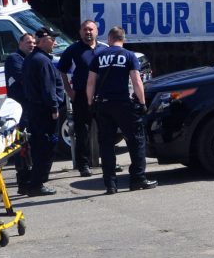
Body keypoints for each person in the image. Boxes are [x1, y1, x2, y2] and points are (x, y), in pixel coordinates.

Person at [87, 26, 157, 194]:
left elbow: (90, 82)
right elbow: (136, 80)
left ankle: (110, 184)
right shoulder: (129, 56)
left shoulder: (99, 56)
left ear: (110, 39)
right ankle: (138, 179)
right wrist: (142, 102)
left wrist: (90, 103)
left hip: (104, 104)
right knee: (136, 141)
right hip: (124, 104)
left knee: (106, 144)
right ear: (123, 39)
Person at [57, 20, 107, 177]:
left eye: (91, 29)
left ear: (97, 32)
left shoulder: (104, 49)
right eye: (85, 29)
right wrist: (69, 91)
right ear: (80, 32)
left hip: (101, 97)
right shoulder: (73, 49)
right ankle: (83, 165)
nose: (88, 32)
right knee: (82, 132)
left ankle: (108, 162)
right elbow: (62, 70)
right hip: (81, 97)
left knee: (106, 131)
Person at [22, 27, 64, 196]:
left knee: (39, 146)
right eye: (52, 39)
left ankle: (33, 182)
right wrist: (54, 108)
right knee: (45, 147)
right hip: (44, 111)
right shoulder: (41, 60)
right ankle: (37, 184)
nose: (55, 42)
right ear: (43, 40)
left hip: (35, 109)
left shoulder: (32, 58)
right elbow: (48, 89)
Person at [4, 32, 35, 194]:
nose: (32, 45)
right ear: (20, 43)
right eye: (28, 42)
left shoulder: (30, 59)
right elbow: (24, 78)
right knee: (21, 145)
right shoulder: (14, 59)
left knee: (29, 145)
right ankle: (23, 182)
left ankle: (30, 178)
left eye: (33, 42)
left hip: (30, 109)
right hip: (18, 110)